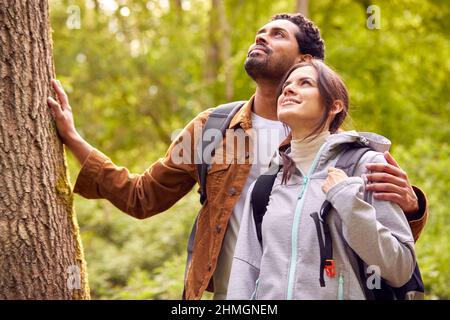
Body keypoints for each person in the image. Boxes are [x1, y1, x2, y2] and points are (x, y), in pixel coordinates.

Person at [47, 13, 428, 300]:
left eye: (278, 34)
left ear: (306, 61)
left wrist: (411, 208)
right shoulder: (211, 128)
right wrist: (75, 140)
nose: (261, 37)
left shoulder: (341, 151)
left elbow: (384, 250)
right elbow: (141, 196)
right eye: (260, 32)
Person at [227, 59, 416, 300]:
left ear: (334, 105)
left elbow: (399, 269)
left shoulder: (367, 167)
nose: (288, 89)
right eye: (287, 85)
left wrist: (349, 204)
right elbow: (246, 272)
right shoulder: (264, 186)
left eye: (305, 83)